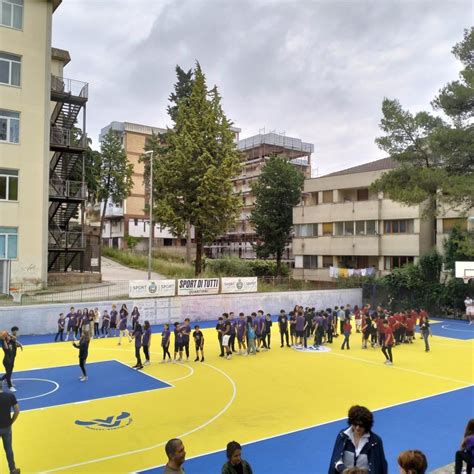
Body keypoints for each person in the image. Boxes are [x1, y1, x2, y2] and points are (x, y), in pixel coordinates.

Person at [328, 405, 388, 474]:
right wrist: (345, 471)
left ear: (367, 425)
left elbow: (381, 467)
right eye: (355, 424)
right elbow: (336, 460)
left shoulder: (376, 441)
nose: (357, 428)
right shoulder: (342, 435)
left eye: (361, 425)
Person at [0, 382, 20, 474]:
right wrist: (11, 421)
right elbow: (17, 410)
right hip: (6, 427)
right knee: (8, 449)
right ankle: (13, 469)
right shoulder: (10, 396)